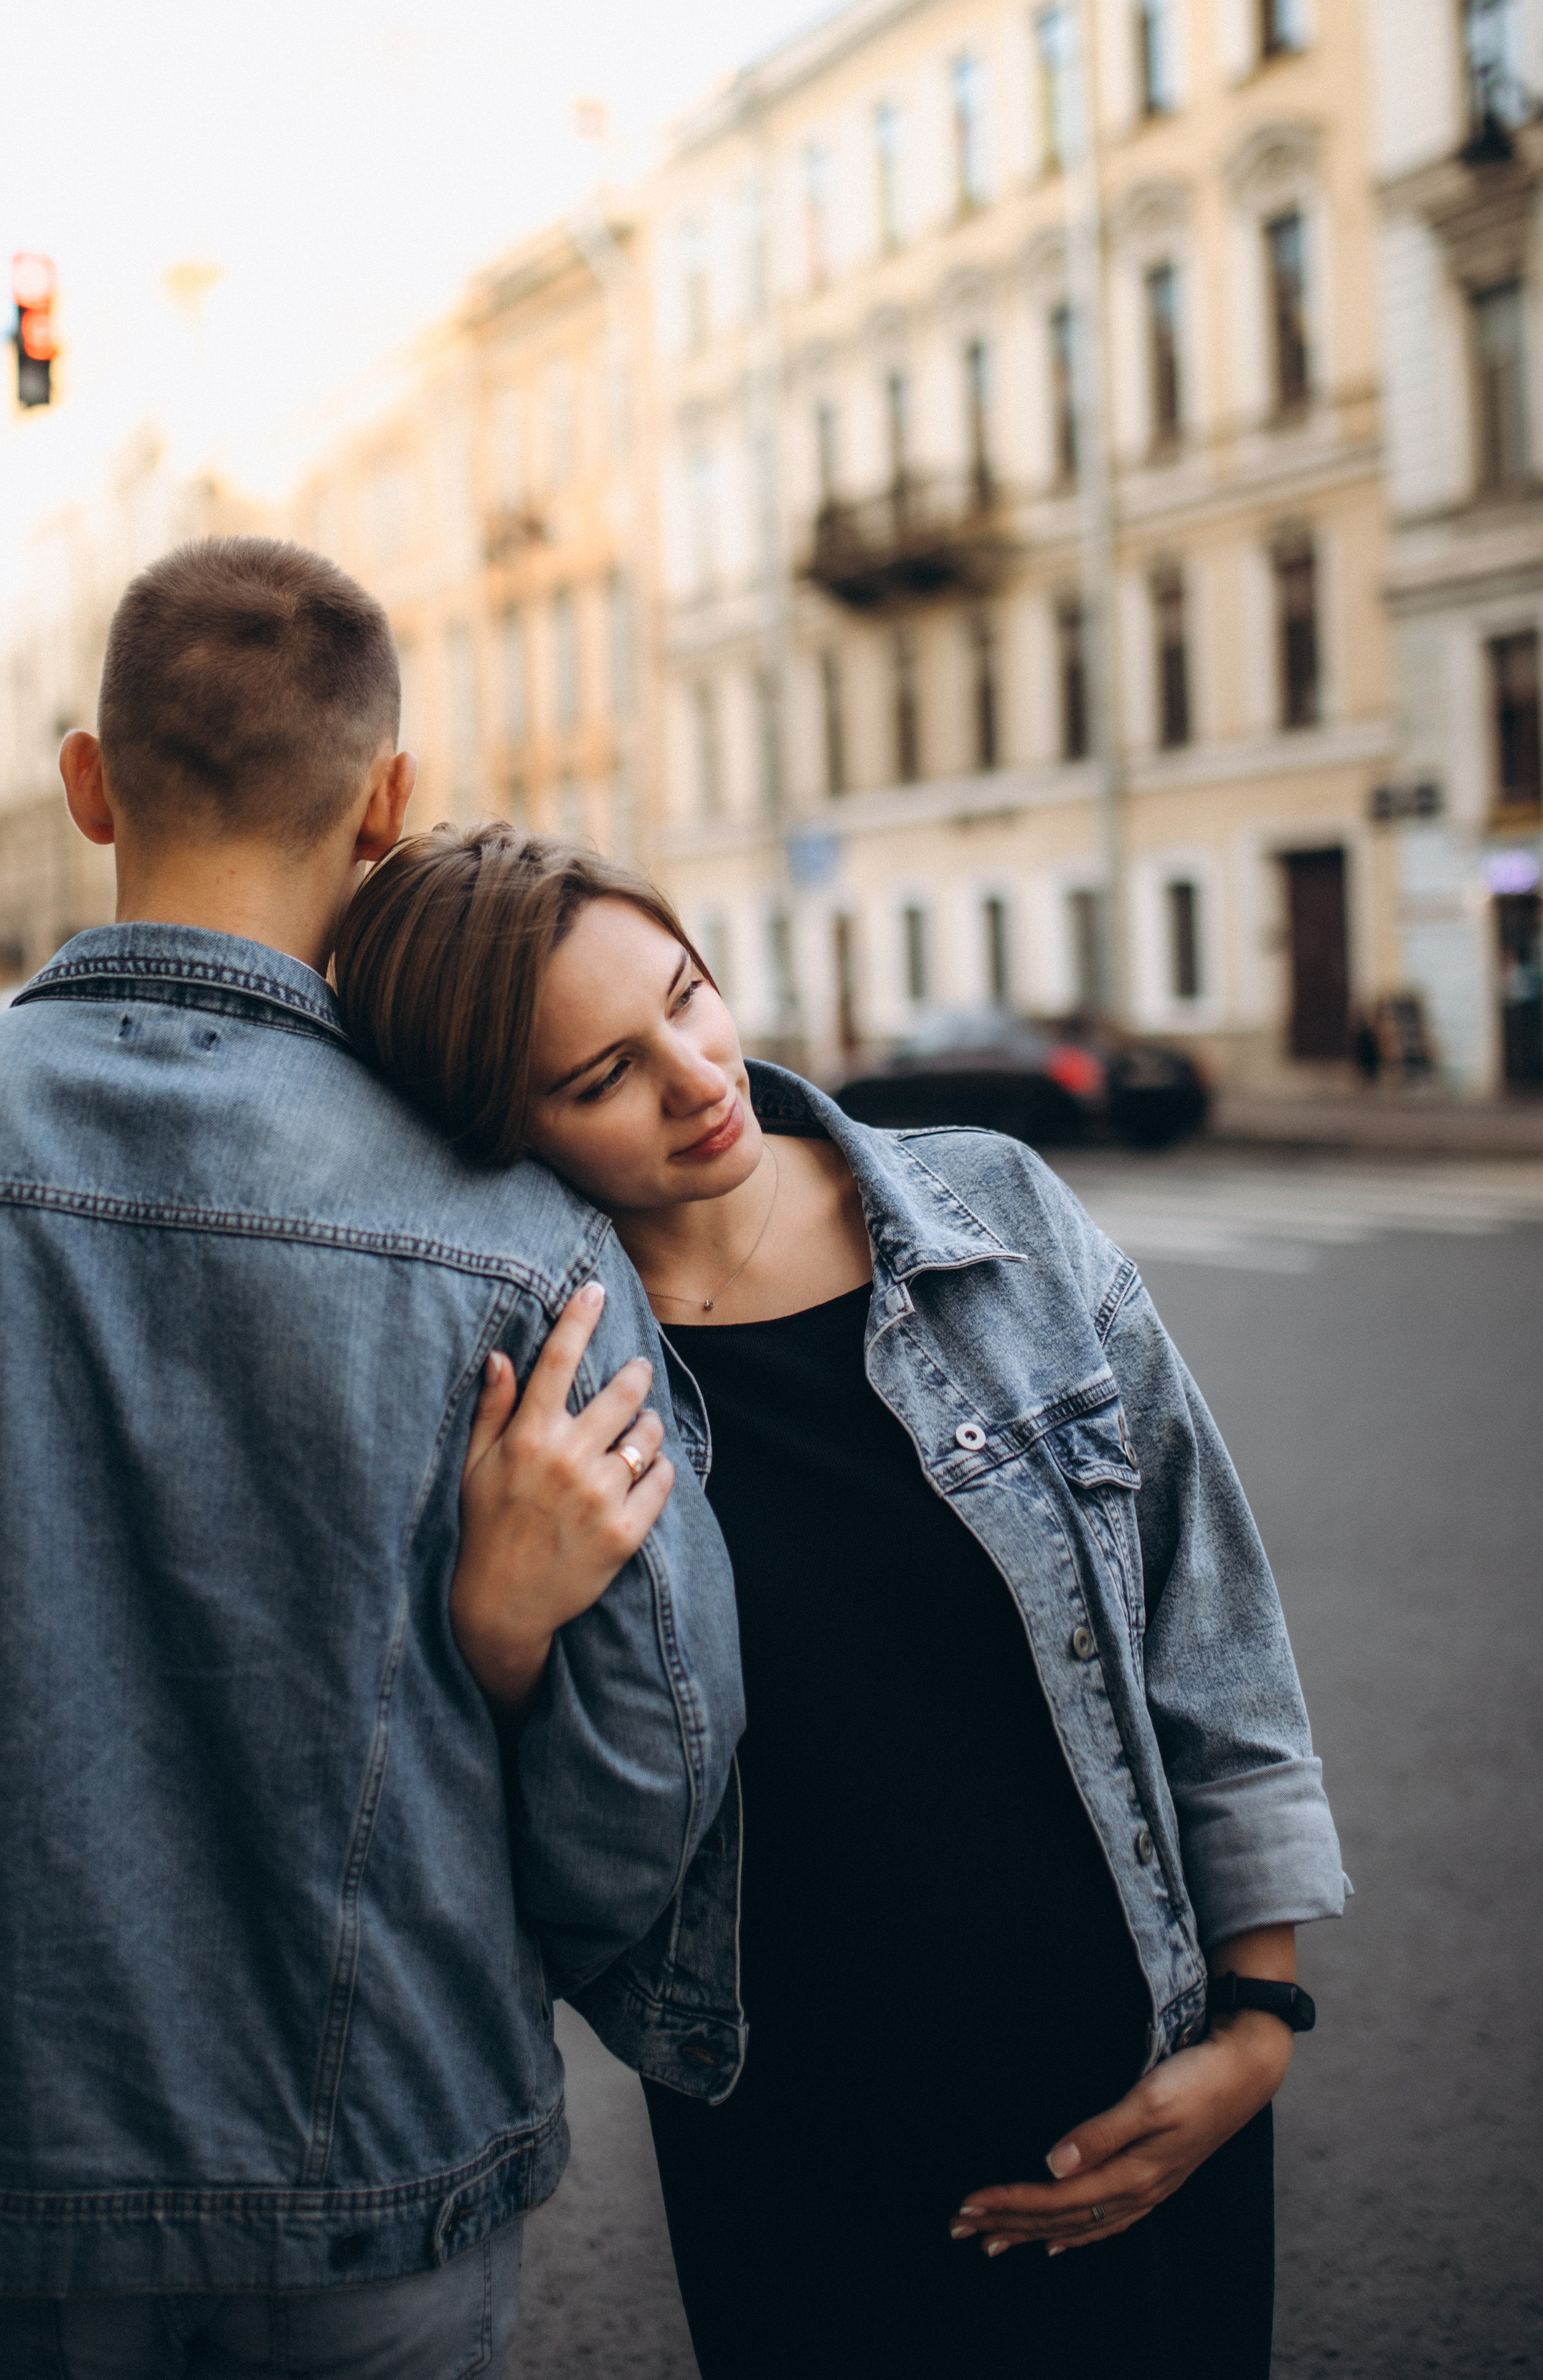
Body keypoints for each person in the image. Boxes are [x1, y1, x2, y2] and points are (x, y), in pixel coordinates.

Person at [0, 542, 742, 2380]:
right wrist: (498, 1957)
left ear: (89, 780)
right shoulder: (512, 1225)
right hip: (380, 2141)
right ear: (390, 800)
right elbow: (653, 1731)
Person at [331, 823, 1351, 2380]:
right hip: (795, 2144)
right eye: (601, 1074)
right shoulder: (517, 1396)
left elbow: (1201, 1617)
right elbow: (542, 1874)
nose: (694, 1074)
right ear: (492, 1124)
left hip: (1138, 2078)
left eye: (688, 992)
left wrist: (1256, 2012)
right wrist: (499, 1627)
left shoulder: (992, 1216)